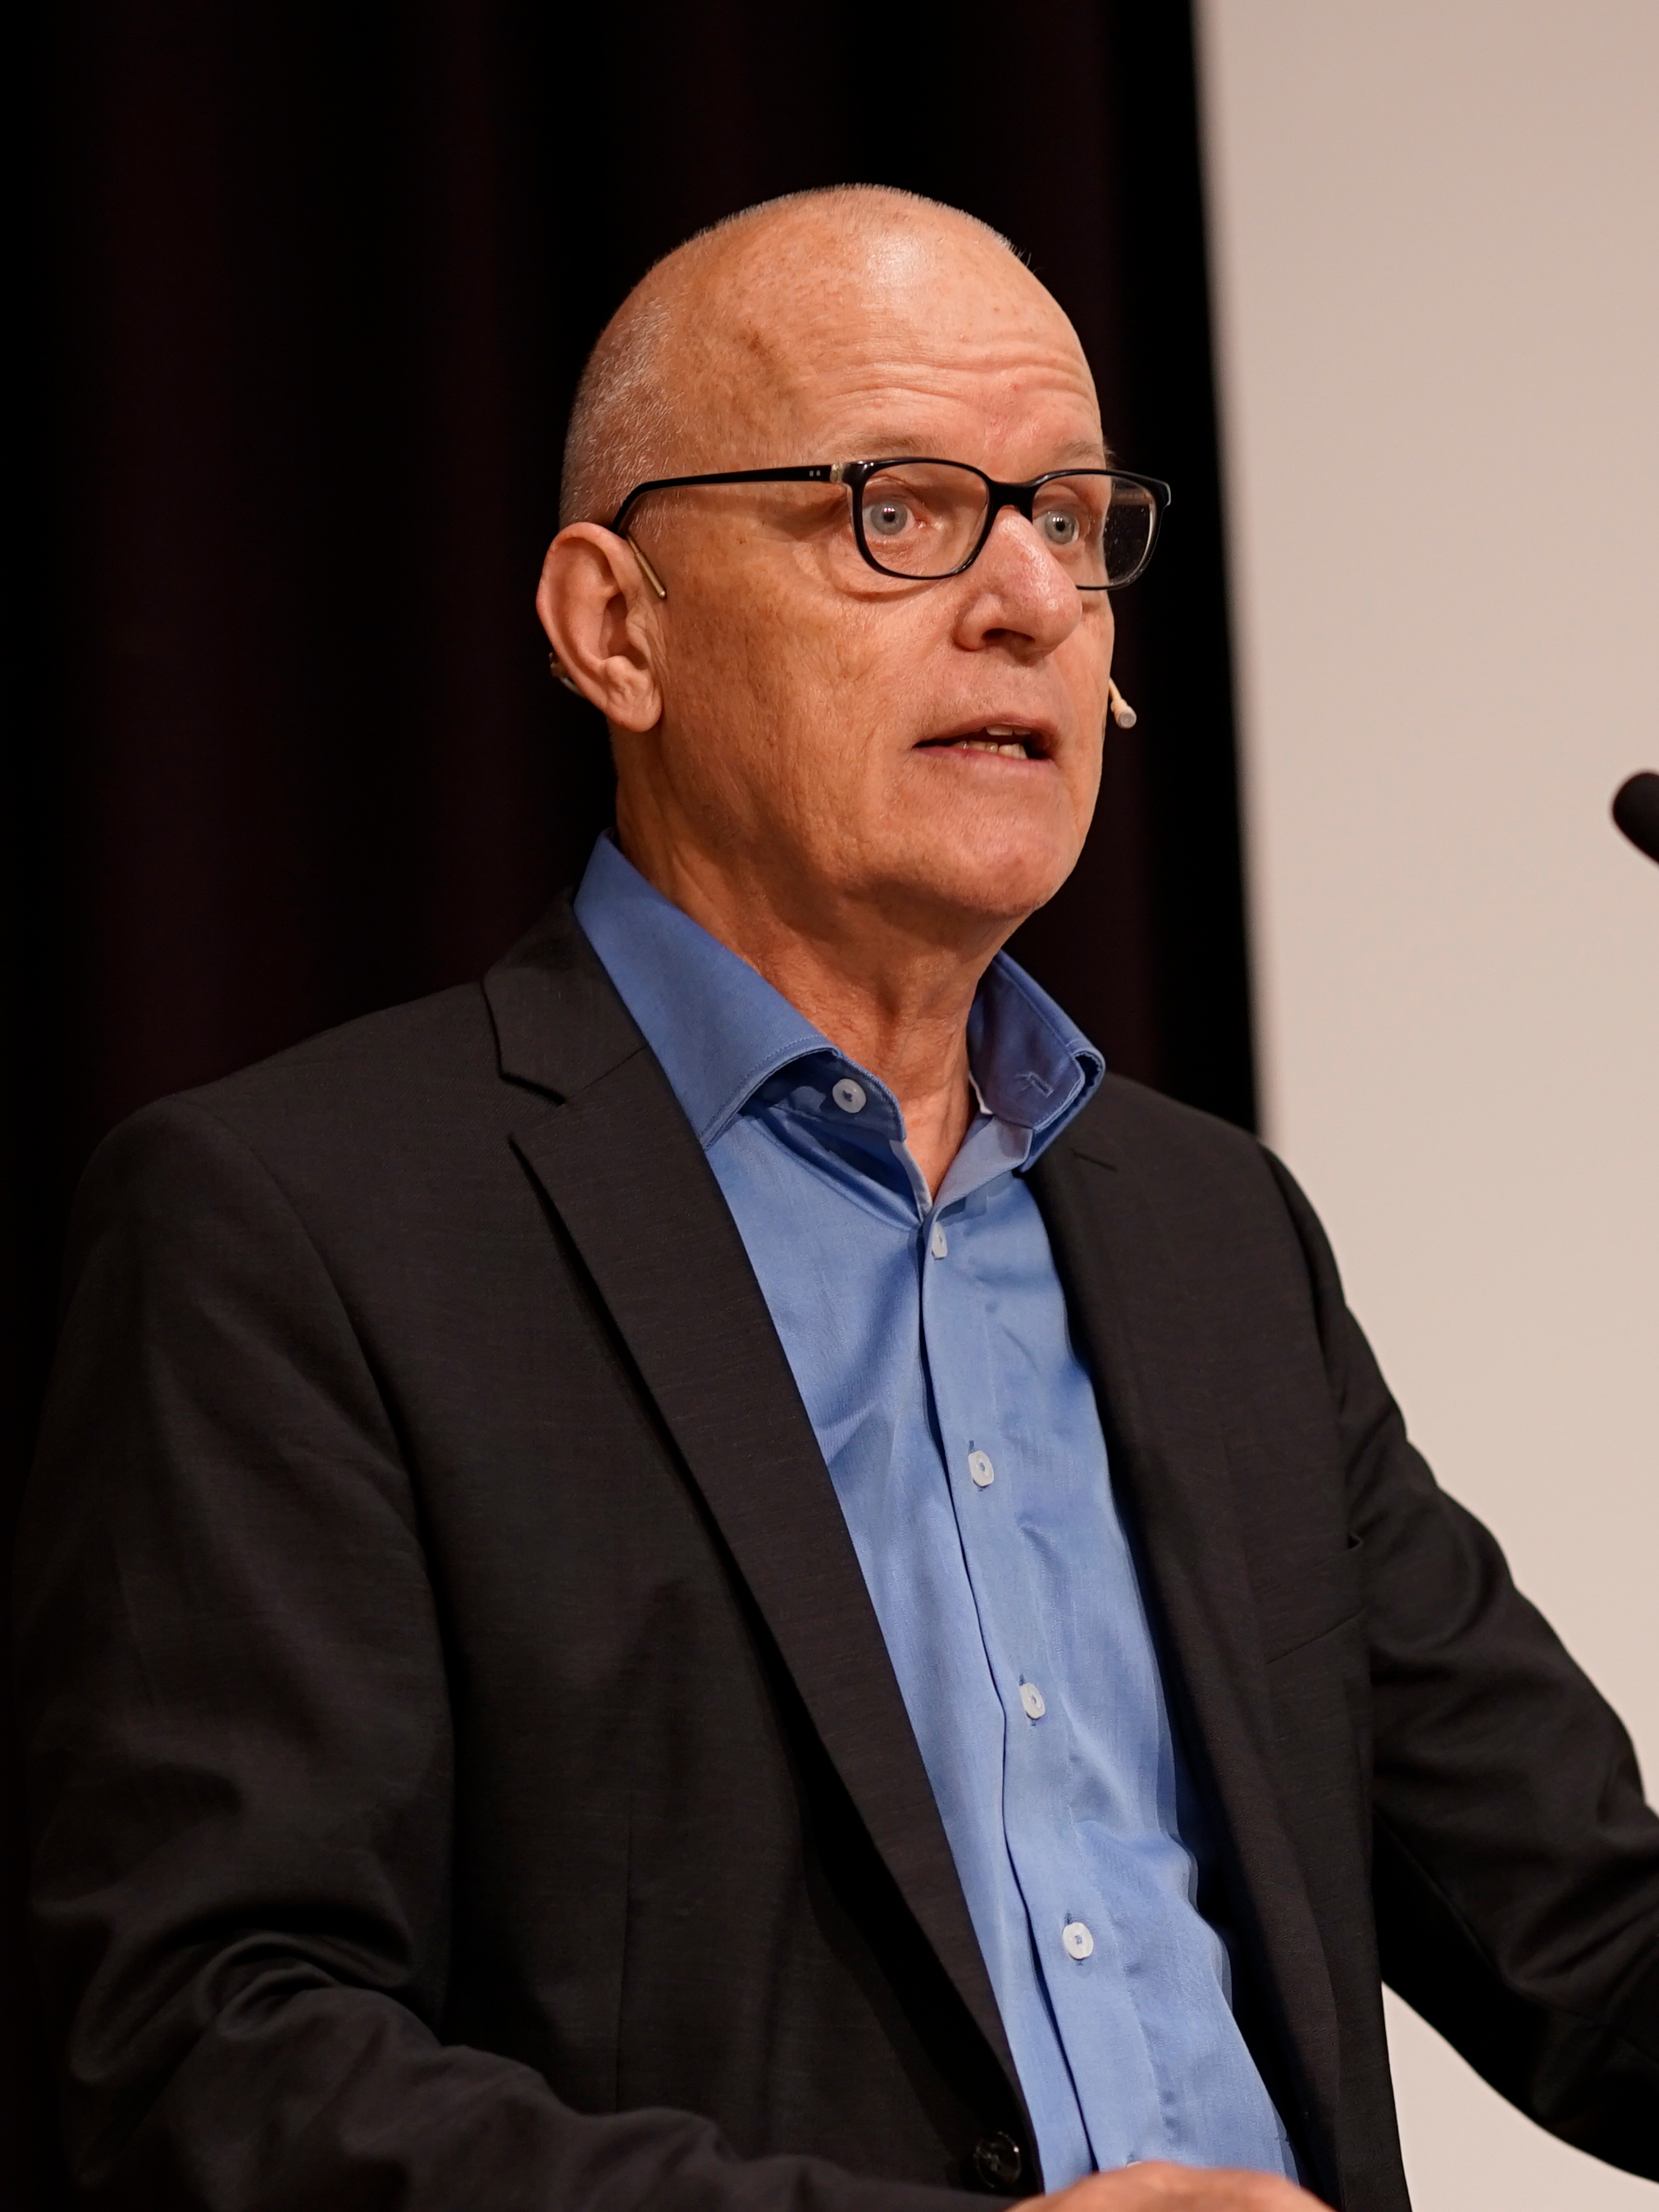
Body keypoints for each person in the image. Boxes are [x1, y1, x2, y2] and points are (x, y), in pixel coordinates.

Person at [16, 185, 1659, 2212]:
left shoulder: (1211, 1229)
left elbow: (1595, 1941)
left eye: (1071, 520)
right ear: (617, 626)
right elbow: (213, 2060)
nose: (1028, 596)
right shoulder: (304, 1227)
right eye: (900, 509)